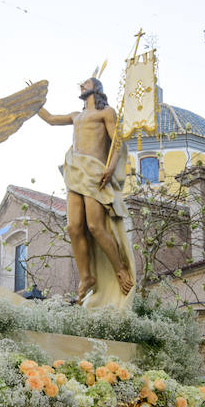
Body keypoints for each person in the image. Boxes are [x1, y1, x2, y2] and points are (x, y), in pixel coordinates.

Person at [38, 76, 135, 306]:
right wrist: (34, 103)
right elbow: (51, 119)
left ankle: (119, 269)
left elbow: (117, 143)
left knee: (95, 226)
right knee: (73, 227)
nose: (81, 86)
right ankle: (86, 276)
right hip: (74, 171)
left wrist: (110, 168)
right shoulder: (76, 116)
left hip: (94, 172)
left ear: (96, 88)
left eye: (86, 83)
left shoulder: (106, 113)